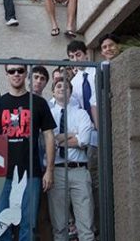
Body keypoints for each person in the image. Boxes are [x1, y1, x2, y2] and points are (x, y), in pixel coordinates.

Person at [0, 61, 56, 241]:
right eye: (12, 71)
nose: (16, 74)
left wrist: (49, 170)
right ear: (6, 74)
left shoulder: (39, 103)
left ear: (26, 74)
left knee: (28, 223)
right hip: (2, 173)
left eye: (20, 70)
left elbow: (49, 136)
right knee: (1, 223)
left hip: (31, 172)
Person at [47, 77, 95, 241]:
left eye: (66, 86)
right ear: (53, 91)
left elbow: (84, 141)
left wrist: (59, 138)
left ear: (70, 92)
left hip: (79, 172)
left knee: (86, 225)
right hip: (57, 172)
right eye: (58, 86)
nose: (62, 88)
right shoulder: (48, 114)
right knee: (59, 227)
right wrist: (72, 134)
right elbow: (49, 143)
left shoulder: (81, 114)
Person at [66, 40, 99, 235]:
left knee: (98, 180)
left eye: (78, 55)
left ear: (86, 53)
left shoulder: (98, 72)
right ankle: (87, 227)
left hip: (102, 132)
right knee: (88, 183)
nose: (75, 59)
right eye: (71, 57)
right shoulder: (75, 81)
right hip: (86, 137)